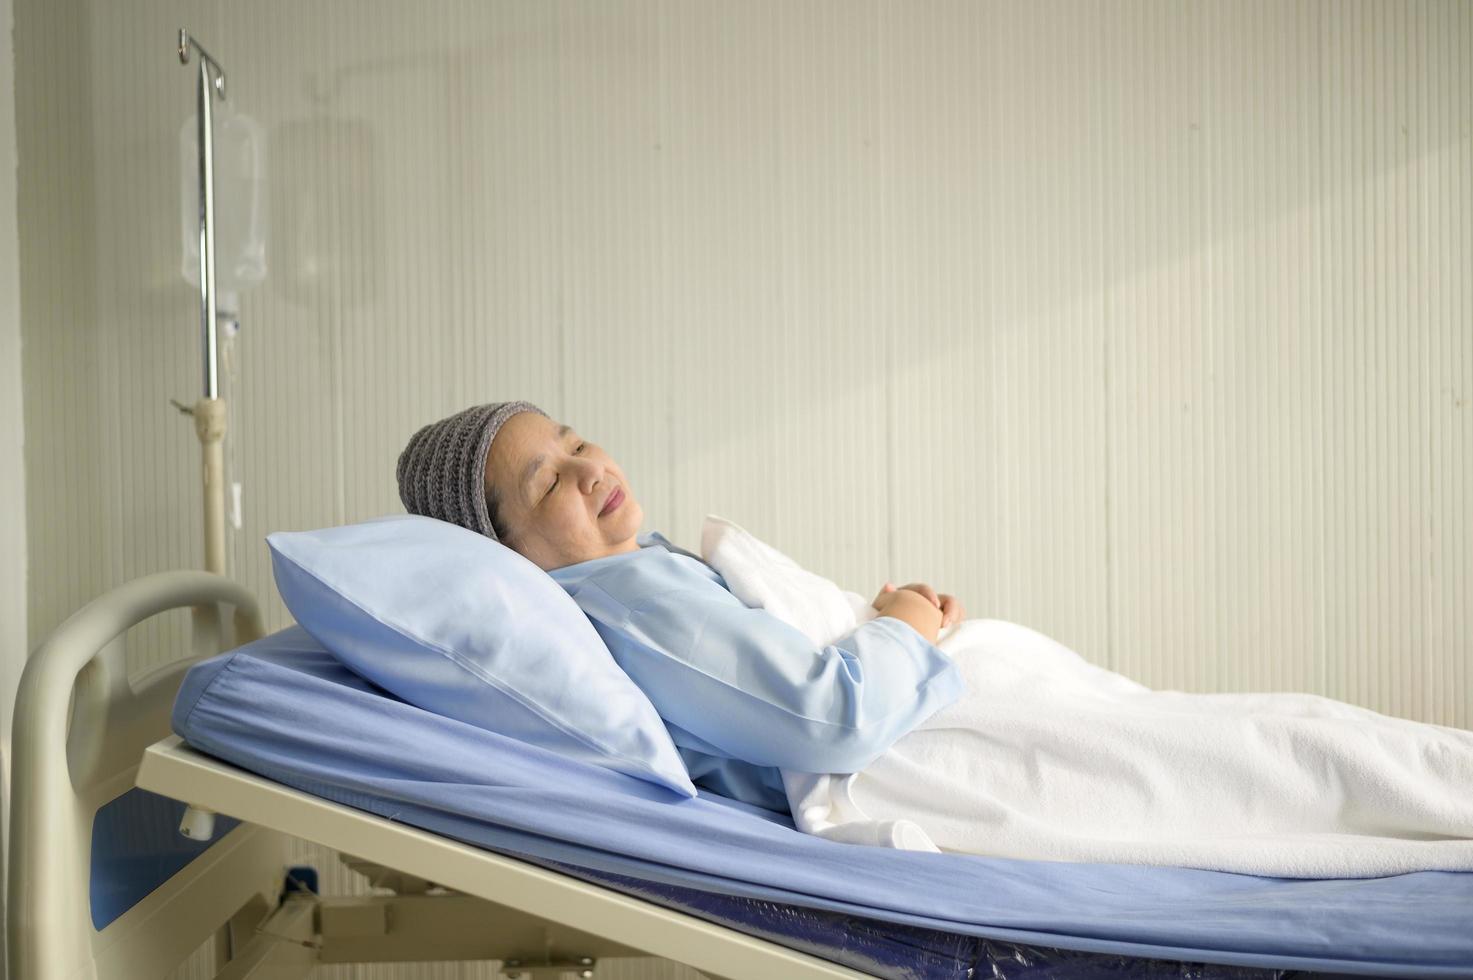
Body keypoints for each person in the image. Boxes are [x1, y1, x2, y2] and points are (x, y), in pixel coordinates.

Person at [396, 400, 967, 812]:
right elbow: (833, 717)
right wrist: (907, 623)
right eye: (548, 484)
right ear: (509, 554)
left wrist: (872, 620)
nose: (592, 471)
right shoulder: (634, 603)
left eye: (575, 445)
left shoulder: (638, 567)